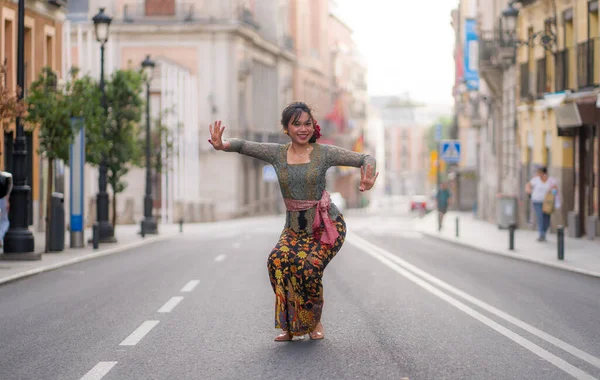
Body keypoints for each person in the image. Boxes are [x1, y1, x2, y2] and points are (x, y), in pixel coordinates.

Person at [208, 102, 378, 342]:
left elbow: (366, 157)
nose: (303, 128)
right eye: (296, 124)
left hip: (325, 225)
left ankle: (315, 320)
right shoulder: (277, 153)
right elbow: (245, 146)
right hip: (294, 229)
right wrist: (222, 145)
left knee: (309, 268)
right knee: (277, 261)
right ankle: (290, 324)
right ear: (286, 128)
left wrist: (367, 176)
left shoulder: (324, 153)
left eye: (307, 123)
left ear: (313, 126)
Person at [525, 166, 557, 241]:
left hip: (547, 203)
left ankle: (544, 231)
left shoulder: (550, 180)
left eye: (539, 172)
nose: (538, 174)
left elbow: (555, 190)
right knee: (540, 217)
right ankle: (541, 234)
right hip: (537, 201)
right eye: (538, 172)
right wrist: (529, 191)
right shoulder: (535, 180)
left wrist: (552, 192)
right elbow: (528, 185)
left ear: (543, 173)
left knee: (547, 218)